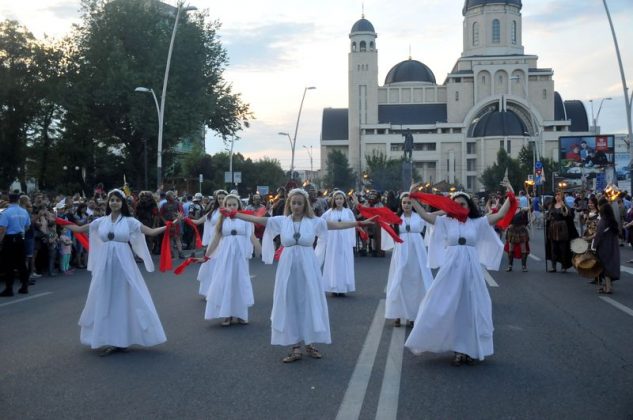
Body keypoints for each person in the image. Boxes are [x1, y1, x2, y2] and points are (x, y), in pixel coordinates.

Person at [230, 188, 374, 363]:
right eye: (293, 203)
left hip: (309, 268)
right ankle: (295, 346)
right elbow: (257, 219)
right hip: (288, 268)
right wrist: (235, 214)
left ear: (305, 204)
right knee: (290, 302)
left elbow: (335, 225)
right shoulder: (282, 221)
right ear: (289, 204)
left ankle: (310, 343)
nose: (296, 206)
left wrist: (359, 223)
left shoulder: (314, 222)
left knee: (310, 301)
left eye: (299, 203)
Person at [404, 181, 514, 366]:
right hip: (451, 269)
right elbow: (424, 216)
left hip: (471, 271)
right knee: (447, 305)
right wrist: (413, 197)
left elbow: (501, 214)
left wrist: (510, 195)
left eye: (463, 204)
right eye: (455, 204)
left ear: (469, 206)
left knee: (472, 307)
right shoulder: (445, 222)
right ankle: (457, 349)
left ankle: (469, 349)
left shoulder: (477, 223)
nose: (459, 207)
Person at [63, 189, 180, 356]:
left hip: (124, 265)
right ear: (108, 203)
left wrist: (171, 223)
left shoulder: (130, 221)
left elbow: (150, 231)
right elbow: (79, 229)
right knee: (105, 298)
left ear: (122, 203)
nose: (114, 203)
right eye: (112, 200)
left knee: (123, 298)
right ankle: (109, 338)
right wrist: (59, 221)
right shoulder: (100, 221)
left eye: (117, 200)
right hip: (105, 265)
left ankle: (122, 338)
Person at [197, 194, 260, 326]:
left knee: (240, 282)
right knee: (225, 282)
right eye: (229, 205)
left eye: (234, 204)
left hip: (240, 257)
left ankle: (241, 314)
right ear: (224, 206)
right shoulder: (222, 220)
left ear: (238, 205)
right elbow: (215, 240)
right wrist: (206, 256)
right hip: (225, 257)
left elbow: (252, 236)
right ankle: (227, 315)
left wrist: (259, 249)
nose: (231, 207)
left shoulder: (245, 220)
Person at [385, 192, 433, 327]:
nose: (406, 205)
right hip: (401, 252)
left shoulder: (420, 217)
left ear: (414, 204)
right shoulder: (396, 218)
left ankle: (413, 314)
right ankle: (397, 314)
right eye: (404, 202)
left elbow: (435, 217)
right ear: (401, 204)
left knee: (415, 282)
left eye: (409, 202)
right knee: (399, 280)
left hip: (417, 254)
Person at [316, 190, 357, 297]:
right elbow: (320, 223)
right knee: (333, 262)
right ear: (333, 200)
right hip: (333, 242)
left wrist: (352, 242)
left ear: (344, 200)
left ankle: (343, 288)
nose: (339, 200)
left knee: (344, 262)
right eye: (337, 199)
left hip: (345, 242)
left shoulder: (348, 212)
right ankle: (333, 287)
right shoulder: (329, 213)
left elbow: (353, 226)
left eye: (340, 198)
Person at [0, 192, 31, 296]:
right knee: (22, 263)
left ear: (9, 200)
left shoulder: (6, 212)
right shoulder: (24, 211)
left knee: (9, 265)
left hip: (10, 239)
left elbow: (2, 229)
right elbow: (27, 226)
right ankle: (24, 286)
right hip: (21, 238)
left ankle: (9, 289)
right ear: (18, 200)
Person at [545, 192, 578, 273]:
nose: (557, 196)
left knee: (563, 248)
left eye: (559, 195)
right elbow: (548, 217)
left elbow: (568, 215)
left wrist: (563, 207)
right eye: (556, 195)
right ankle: (553, 266)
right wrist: (547, 217)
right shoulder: (552, 206)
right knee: (553, 248)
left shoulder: (565, 206)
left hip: (562, 228)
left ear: (562, 197)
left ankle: (564, 266)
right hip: (553, 228)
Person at [593, 198, 620, 294]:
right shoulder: (612, 221)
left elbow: (599, 234)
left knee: (605, 266)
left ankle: (608, 288)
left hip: (604, 246)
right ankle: (609, 286)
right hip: (613, 246)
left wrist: (594, 245)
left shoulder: (603, 221)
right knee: (610, 264)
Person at [504, 207, 531, 272]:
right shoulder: (510, 210)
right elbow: (508, 221)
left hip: (521, 230)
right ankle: (510, 266)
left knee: (523, 249)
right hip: (512, 231)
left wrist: (525, 212)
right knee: (511, 249)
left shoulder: (523, 211)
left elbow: (526, 222)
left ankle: (524, 266)